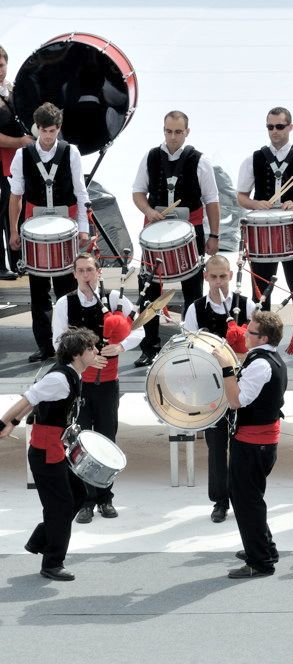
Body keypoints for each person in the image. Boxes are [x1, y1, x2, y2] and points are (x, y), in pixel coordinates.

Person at [1, 326, 100, 581]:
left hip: (58, 447)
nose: (96, 351)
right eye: (91, 348)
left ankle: (40, 539)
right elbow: (28, 399)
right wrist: (5, 423)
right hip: (46, 450)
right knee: (60, 506)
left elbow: (34, 402)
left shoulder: (74, 374)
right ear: (78, 354)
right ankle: (52, 563)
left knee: (79, 494)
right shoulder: (58, 379)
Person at [52, 253, 141, 523]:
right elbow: (58, 342)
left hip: (107, 384)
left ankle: (105, 498)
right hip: (79, 384)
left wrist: (121, 346)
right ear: (74, 274)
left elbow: (141, 327)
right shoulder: (64, 304)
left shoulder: (114, 299)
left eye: (90, 270)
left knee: (106, 439)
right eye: (81, 271)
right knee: (80, 440)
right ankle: (85, 501)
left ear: (98, 272)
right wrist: (85, 356)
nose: (86, 275)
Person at [132, 110, 221, 367]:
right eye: (168, 131)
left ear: (187, 132)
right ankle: (149, 347)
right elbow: (138, 192)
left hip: (190, 232)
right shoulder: (150, 157)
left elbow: (211, 200)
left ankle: (193, 343)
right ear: (164, 130)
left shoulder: (200, 160)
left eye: (178, 132)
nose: (173, 137)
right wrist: (149, 211)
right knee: (149, 290)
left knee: (193, 291)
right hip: (155, 235)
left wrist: (214, 235)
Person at [236, 106, 293, 364]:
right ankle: (260, 343)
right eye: (270, 127)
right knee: (261, 294)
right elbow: (241, 197)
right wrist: (257, 204)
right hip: (262, 236)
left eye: (279, 126)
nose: (274, 131)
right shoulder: (254, 158)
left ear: (290, 127)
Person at [8, 102, 90, 362]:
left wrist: (84, 229)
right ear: (37, 128)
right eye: (44, 130)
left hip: (66, 227)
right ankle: (44, 347)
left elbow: (80, 191)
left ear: (59, 128)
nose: (47, 136)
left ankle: (71, 347)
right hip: (35, 229)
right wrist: (13, 231)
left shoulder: (71, 152)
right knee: (38, 291)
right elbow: (16, 196)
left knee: (67, 290)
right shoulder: (24, 154)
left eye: (52, 131)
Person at [213, 311, 288, 579]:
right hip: (258, 442)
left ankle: (260, 561)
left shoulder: (261, 364)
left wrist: (225, 368)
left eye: (250, 332)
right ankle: (264, 548)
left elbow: (237, 400)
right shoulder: (265, 359)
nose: (244, 335)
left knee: (247, 502)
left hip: (255, 444)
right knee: (249, 499)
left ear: (263, 337)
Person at [182, 254, 257, 523]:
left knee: (243, 444)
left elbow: (258, 344)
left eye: (223, 276)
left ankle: (242, 496)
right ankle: (220, 501)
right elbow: (188, 347)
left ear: (230, 276)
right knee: (216, 446)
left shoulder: (246, 305)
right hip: (211, 388)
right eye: (213, 277)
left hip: (242, 384)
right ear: (205, 278)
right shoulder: (195, 308)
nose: (218, 282)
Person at [0, 44, 32, 281]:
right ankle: (1, 267)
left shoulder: (12, 89)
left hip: (13, 162)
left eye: (1, 65)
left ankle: (18, 261)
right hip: (3, 158)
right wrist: (21, 141)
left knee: (15, 211)